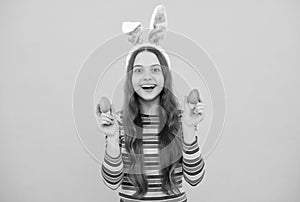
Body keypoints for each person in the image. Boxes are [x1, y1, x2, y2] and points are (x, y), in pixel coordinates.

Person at [96, 5, 206, 202]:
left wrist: (189, 128)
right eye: (138, 70)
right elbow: (111, 182)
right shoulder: (119, 122)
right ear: (130, 78)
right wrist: (112, 136)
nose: (147, 77)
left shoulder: (181, 119)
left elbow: (195, 178)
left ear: (165, 76)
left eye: (155, 69)